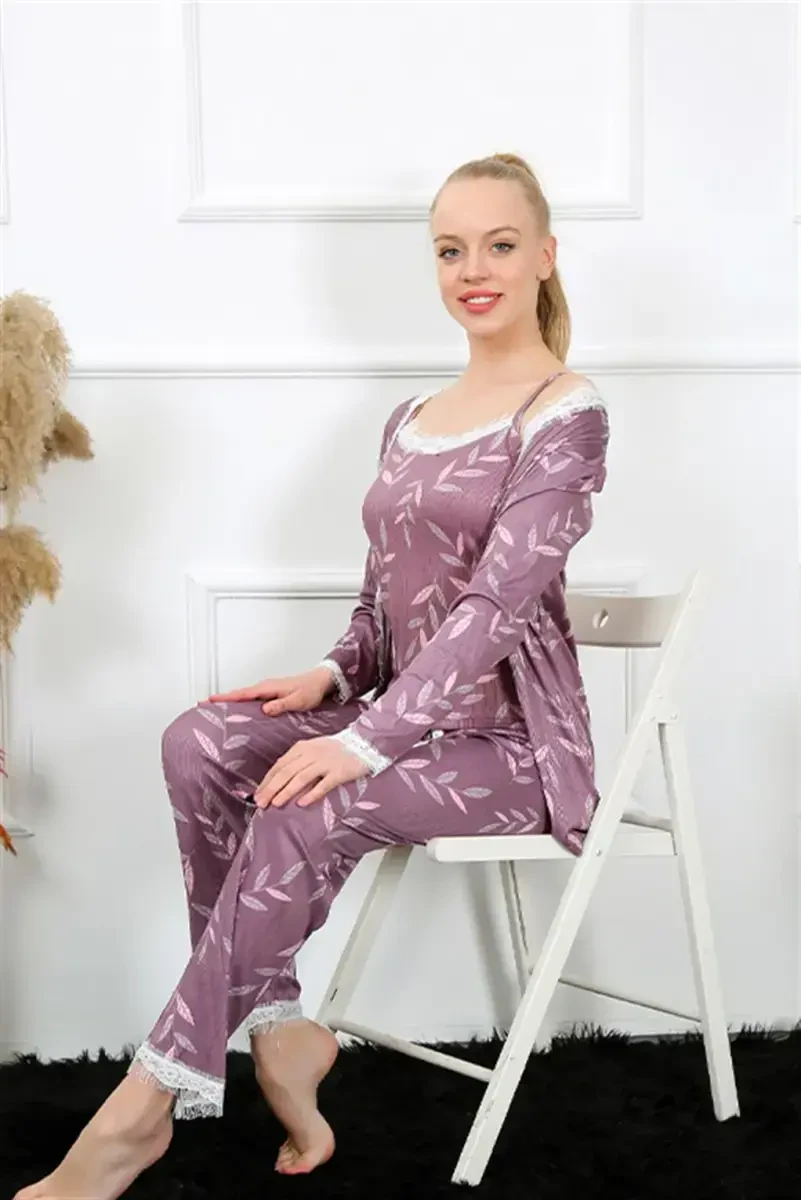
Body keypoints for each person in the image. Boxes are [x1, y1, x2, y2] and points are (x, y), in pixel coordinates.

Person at [15, 151, 609, 1199]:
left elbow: (493, 612)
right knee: (201, 742)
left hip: (513, 751)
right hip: (399, 725)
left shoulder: (567, 415)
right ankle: (278, 1026)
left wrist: (364, 743)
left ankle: (141, 1110)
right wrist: (332, 681)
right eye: (451, 250)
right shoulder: (412, 418)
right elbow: (385, 604)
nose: (474, 269)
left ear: (545, 256)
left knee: (309, 804)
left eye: (500, 245)